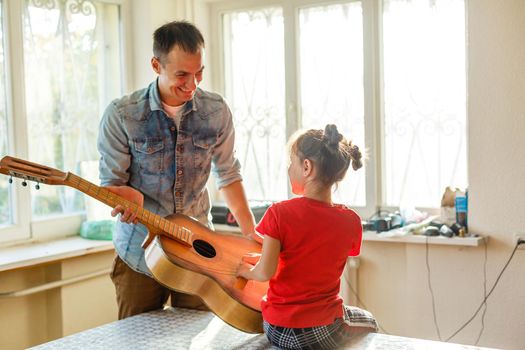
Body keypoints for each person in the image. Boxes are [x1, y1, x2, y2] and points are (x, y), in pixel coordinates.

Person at [97, 20, 255, 319]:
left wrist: (250, 230)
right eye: (182, 74)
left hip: (199, 254)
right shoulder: (122, 115)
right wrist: (123, 199)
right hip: (138, 253)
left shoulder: (216, 111)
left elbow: (229, 174)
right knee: (136, 342)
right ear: (156, 65)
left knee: (193, 339)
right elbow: (111, 185)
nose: (192, 84)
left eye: (199, 73)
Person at [237, 124, 378, 349]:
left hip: (276, 329)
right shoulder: (351, 220)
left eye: (290, 162)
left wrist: (245, 270)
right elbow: (312, 258)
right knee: (370, 321)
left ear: (306, 167)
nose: (288, 169)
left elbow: (265, 272)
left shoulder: (278, 213)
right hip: (320, 329)